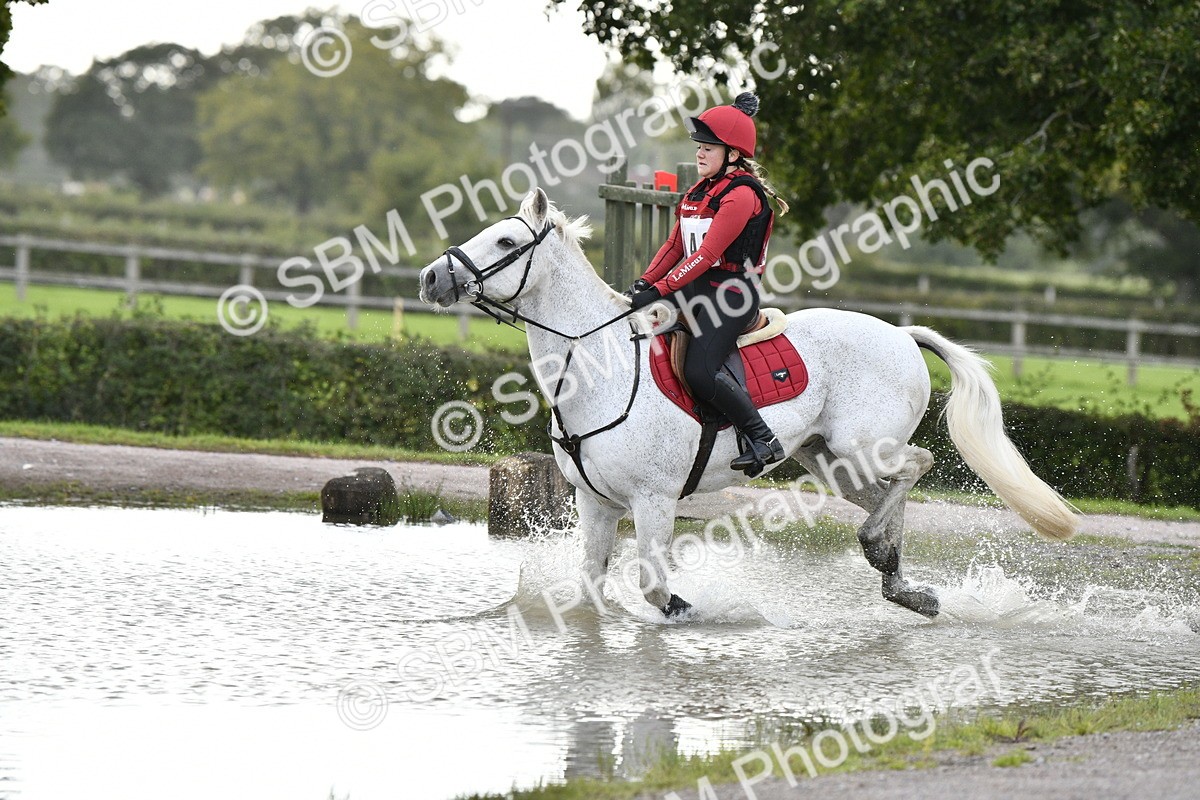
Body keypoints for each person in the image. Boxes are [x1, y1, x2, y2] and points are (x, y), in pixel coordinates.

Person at [624, 92, 791, 477]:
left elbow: (706, 254)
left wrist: (660, 290)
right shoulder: (698, 192)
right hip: (697, 290)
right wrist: (644, 282)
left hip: (732, 295)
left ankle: (762, 437)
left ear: (732, 154)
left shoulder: (742, 195)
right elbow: (674, 246)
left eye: (708, 148)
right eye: (699, 146)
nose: (699, 153)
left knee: (699, 370)